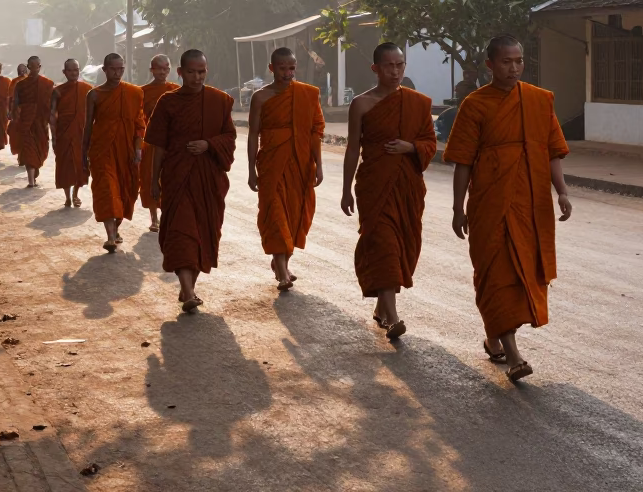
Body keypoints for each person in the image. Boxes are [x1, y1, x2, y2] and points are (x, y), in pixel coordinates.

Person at [444, 33, 573, 383]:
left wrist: (561, 190)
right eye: (506, 61)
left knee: (522, 273)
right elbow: (463, 162)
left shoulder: (538, 100)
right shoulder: (474, 104)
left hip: (531, 206)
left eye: (519, 61)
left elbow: (551, 150)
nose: (514, 68)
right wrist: (459, 207)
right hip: (489, 204)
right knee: (496, 275)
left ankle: (494, 337)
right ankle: (513, 354)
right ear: (490, 65)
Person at [340, 42, 436, 339]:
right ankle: (393, 318)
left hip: (407, 186)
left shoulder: (418, 103)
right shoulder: (362, 104)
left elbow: (430, 143)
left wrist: (410, 147)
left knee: (402, 245)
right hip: (373, 184)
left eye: (400, 65)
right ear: (376, 69)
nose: (395, 71)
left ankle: (383, 308)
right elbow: (353, 148)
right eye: (389, 66)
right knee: (382, 243)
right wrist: (345, 189)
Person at [146, 49, 236, 313]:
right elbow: (159, 146)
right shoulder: (167, 102)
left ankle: (188, 287)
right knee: (181, 232)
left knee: (202, 234)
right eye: (192, 72)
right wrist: (154, 180)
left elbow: (230, 137)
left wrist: (209, 144)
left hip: (208, 179)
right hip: (177, 177)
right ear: (180, 73)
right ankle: (188, 292)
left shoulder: (220, 101)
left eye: (202, 72)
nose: (197, 77)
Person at [247, 47, 325, 291]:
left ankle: (282, 263)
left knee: (294, 215)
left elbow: (315, 133)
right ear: (271, 68)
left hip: (301, 163)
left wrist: (318, 165)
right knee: (274, 213)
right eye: (282, 68)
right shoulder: (260, 97)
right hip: (271, 163)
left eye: (291, 67)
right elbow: (252, 135)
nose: (287, 72)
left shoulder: (307, 95)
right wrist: (251, 169)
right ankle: (282, 272)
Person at [81, 53, 145, 252]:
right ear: (105, 70)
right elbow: (88, 126)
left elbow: (139, 124)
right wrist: (84, 152)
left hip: (126, 151)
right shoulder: (94, 95)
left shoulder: (135, 93)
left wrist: (138, 148)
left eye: (120, 69)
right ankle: (110, 236)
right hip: (102, 150)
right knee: (107, 190)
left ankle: (115, 228)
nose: (117, 73)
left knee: (126, 192)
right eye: (113, 69)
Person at [139, 54, 179, 232]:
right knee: (150, 178)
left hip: (172, 141)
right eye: (159, 68)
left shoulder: (176, 90)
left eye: (166, 68)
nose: (163, 72)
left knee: (170, 178)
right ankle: (154, 218)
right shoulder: (142, 91)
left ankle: (167, 215)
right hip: (151, 141)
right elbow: (138, 118)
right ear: (152, 70)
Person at [50, 59, 91, 207]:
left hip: (81, 134)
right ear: (64, 72)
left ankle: (75, 194)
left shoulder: (88, 89)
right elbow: (52, 115)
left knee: (81, 166)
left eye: (76, 70)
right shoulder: (58, 91)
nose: (74, 73)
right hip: (64, 134)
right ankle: (67, 196)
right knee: (65, 166)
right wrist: (53, 137)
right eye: (70, 70)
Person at [9, 56, 54, 188]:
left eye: (37, 66)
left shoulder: (48, 84)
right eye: (31, 66)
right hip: (26, 121)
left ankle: (34, 170)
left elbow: (52, 104)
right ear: (28, 67)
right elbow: (15, 103)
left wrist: (52, 119)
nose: (34, 68)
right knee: (28, 148)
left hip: (41, 122)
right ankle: (31, 181)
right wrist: (14, 117)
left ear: (40, 67)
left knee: (41, 148)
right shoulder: (20, 84)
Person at [7, 63, 29, 158]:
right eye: (20, 69)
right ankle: (20, 153)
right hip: (16, 110)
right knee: (16, 132)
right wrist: (9, 110)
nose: (22, 71)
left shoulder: (31, 80)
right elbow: (10, 97)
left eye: (23, 69)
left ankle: (26, 154)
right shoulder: (14, 81)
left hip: (28, 110)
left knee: (28, 134)